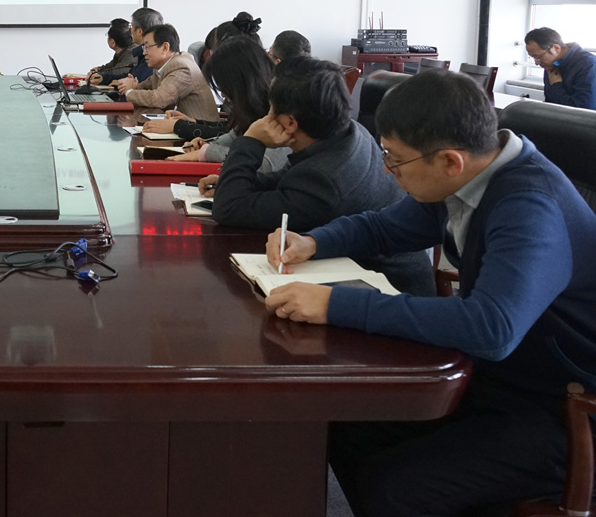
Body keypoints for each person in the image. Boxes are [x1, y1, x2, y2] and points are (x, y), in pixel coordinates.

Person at [264, 69, 596, 516]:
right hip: (504, 379)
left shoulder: (531, 206)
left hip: (566, 410)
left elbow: (491, 328)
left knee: (395, 488)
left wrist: (334, 303)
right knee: (345, 425)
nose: (388, 170)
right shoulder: (468, 176)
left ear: (449, 161)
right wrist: (314, 241)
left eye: (395, 159)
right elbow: (383, 227)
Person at [202, 55, 433, 295]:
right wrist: (242, 182)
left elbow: (228, 209)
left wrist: (251, 140)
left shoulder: (324, 181)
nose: (266, 115)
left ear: (290, 123)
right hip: (367, 273)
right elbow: (289, 182)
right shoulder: (350, 132)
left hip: (390, 293)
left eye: (271, 107)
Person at [148, 36, 288, 172]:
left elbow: (265, 165)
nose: (223, 95)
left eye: (226, 88)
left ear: (243, 83)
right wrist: (208, 145)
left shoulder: (281, 106)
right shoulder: (252, 107)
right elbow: (234, 135)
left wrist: (208, 152)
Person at [114, 23, 219, 122]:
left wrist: (129, 91)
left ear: (165, 47)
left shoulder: (182, 67)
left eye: (147, 47)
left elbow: (159, 99)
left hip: (198, 130)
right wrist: (131, 86)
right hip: (178, 125)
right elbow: (146, 86)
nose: (144, 52)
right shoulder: (163, 65)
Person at [524, 26, 596, 109]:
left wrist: (556, 85)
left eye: (538, 57)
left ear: (556, 48)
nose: (537, 63)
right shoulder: (551, 63)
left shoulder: (589, 65)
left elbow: (583, 110)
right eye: (533, 57)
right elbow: (550, 102)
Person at [108, 7, 163, 86]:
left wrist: (121, 82)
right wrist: (105, 78)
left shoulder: (151, 55)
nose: (130, 31)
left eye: (132, 26)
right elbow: (132, 75)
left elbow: (137, 80)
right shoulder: (142, 51)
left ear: (139, 31)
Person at [87, 18, 135, 85]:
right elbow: (110, 66)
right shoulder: (122, 51)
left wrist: (98, 74)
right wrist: (98, 69)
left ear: (113, 42)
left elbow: (118, 72)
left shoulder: (132, 52)